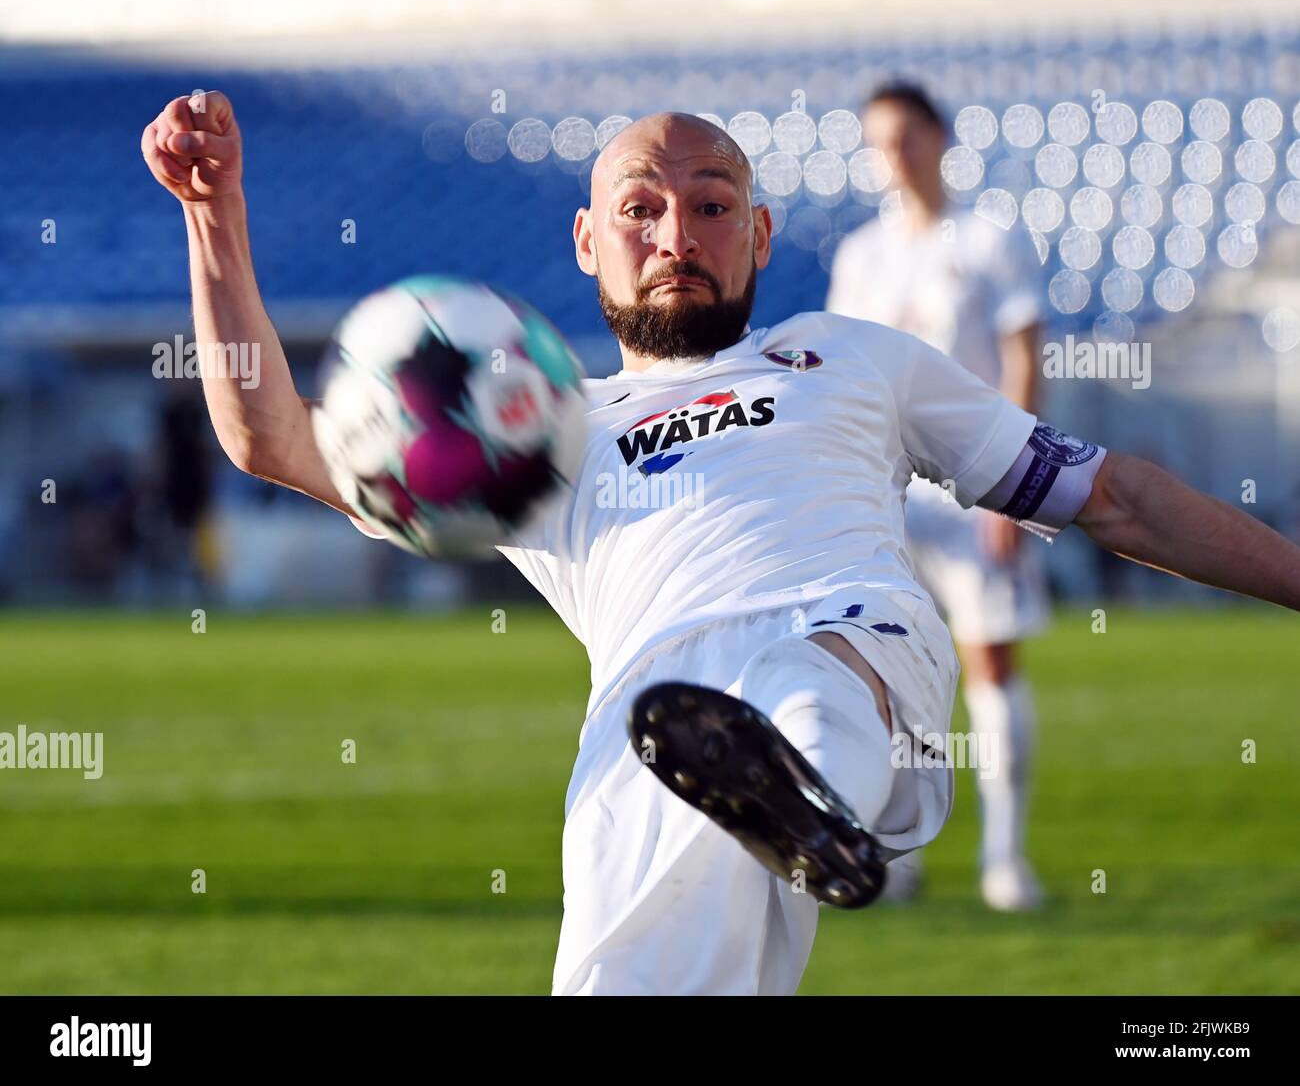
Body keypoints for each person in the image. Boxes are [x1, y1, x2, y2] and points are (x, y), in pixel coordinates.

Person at [142, 94, 1300, 995]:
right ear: (589, 239)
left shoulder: (850, 355)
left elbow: (1113, 498)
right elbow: (270, 439)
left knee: (811, 670)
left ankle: (812, 790)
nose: (675, 232)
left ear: (757, 232)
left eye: (710, 204)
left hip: (852, 640)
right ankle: (781, 797)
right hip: (651, 742)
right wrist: (214, 219)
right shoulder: (539, 434)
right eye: (642, 207)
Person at [827, 81, 1048, 910]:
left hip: (977, 486)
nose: (896, 154)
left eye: (908, 136)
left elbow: (1024, 358)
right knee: (898, 672)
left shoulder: (991, 239)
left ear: (940, 136)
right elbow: (843, 380)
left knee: (990, 660)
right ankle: (901, 854)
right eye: (880, 140)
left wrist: (1016, 489)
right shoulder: (861, 255)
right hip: (890, 497)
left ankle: (1005, 858)